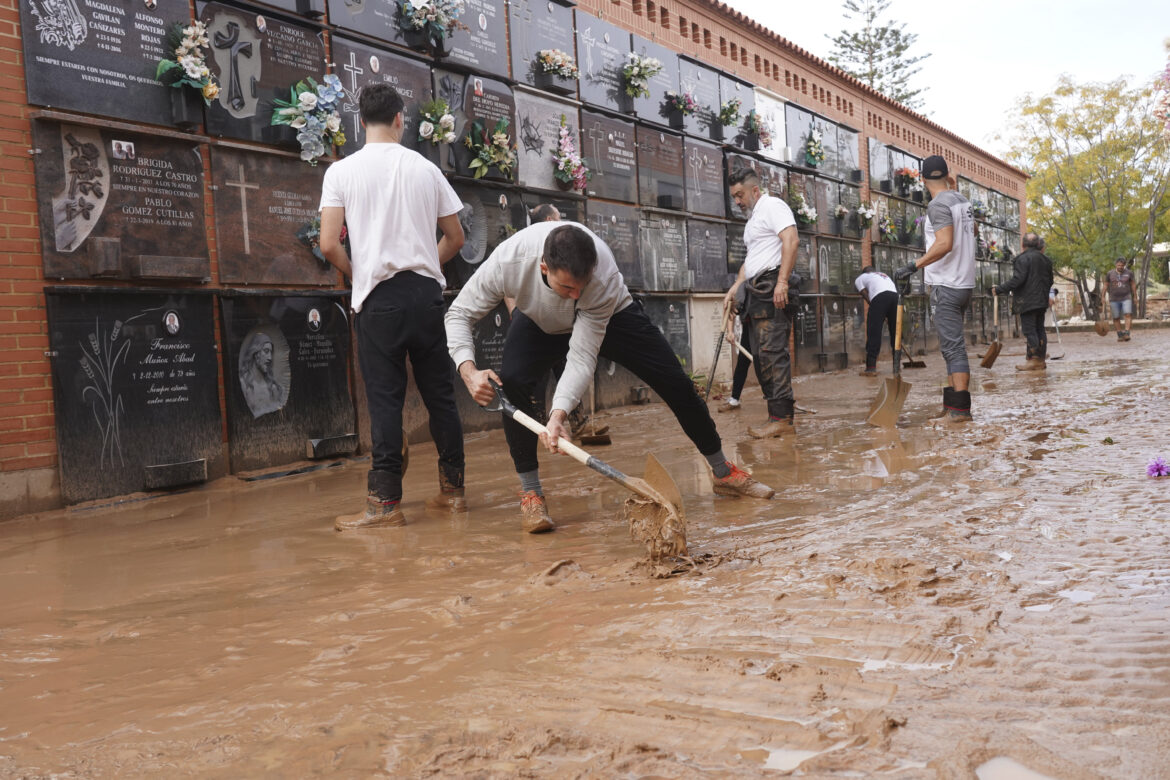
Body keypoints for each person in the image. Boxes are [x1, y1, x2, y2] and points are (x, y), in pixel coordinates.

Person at [446, 222, 775, 534]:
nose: (574, 295)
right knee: (514, 381)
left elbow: (581, 357)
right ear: (544, 268)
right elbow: (459, 313)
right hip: (538, 319)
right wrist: (468, 370)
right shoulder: (508, 261)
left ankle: (723, 472)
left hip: (612, 315)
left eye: (581, 286)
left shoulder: (601, 278)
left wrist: (558, 414)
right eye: (567, 287)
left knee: (676, 382)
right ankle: (531, 494)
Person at [318, 84, 467, 531]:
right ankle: (453, 492)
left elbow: (328, 244)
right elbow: (456, 238)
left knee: (385, 400)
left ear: (360, 122)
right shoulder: (425, 168)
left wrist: (360, 273)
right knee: (440, 394)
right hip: (426, 297)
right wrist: (425, 264)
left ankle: (384, 504)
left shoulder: (341, 172)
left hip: (378, 298)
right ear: (401, 119)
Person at [894, 156, 977, 422]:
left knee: (953, 348)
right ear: (947, 175)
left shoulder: (938, 204)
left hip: (947, 283)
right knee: (950, 347)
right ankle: (951, 405)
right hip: (963, 283)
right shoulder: (962, 201)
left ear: (922, 178)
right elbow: (973, 231)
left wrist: (913, 265)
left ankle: (960, 410)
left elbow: (944, 243)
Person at [723, 167, 799, 438]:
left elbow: (791, 239)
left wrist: (782, 282)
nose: (737, 201)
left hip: (771, 287)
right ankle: (776, 417)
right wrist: (735, 286)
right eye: (734, 196)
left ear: (755, 190)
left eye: (740, 195)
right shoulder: (753, 221)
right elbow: (751, 261)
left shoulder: (772, 206)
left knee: (772, 353)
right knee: (761, 356)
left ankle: (782, 418)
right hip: (757, 290)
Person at [993, 232, 1054, 371]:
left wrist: (999, 289)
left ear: (1023, 244)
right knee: (1039, 329)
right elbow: (1050, 280)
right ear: (1037, 244)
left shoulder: (1022, 259)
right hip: (1041, 301)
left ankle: (1034, 360)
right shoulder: (1046, 260)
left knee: (1029, 330)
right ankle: (1040, 359)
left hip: (1027, 301)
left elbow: (1018, 280)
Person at [854, 265, 898, 377]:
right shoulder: (884, 275)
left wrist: (873, 305)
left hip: (879, 298)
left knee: (874, 331)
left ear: (865, 272)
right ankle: (896, 367)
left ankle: (871, 367)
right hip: (895, 298)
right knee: (895, 332)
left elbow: (863, 292)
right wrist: (885, 312)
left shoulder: (861, 277)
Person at [238, 331, 287, 418]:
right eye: (266, 351)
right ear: (255, 354)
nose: (270, 358)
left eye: (271, 352)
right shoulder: (244, 384)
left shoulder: (273, 387)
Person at [717, 311, 751, 412]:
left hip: (765, 328)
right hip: (748, 328)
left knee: (765, 366)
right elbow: (730, 310)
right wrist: (730, 331)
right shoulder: (739, 299)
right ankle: (735, 399)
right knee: (742, 364)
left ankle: (779, 402)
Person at [1106, 257, 1137, 341]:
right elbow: (1105, 285)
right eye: (1118, 265)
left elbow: (1133, 284)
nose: (1120, 267)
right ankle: (1119, 335)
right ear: (1116, 265)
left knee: (1128, 314)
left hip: (1126, 297)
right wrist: (1102, 297)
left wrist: (1135, 296)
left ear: (1124, 265)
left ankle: (1127, 333)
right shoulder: (1110, 273)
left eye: (1122, 265)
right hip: (1114, 298)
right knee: (1116, 317)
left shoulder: (1129, 273)